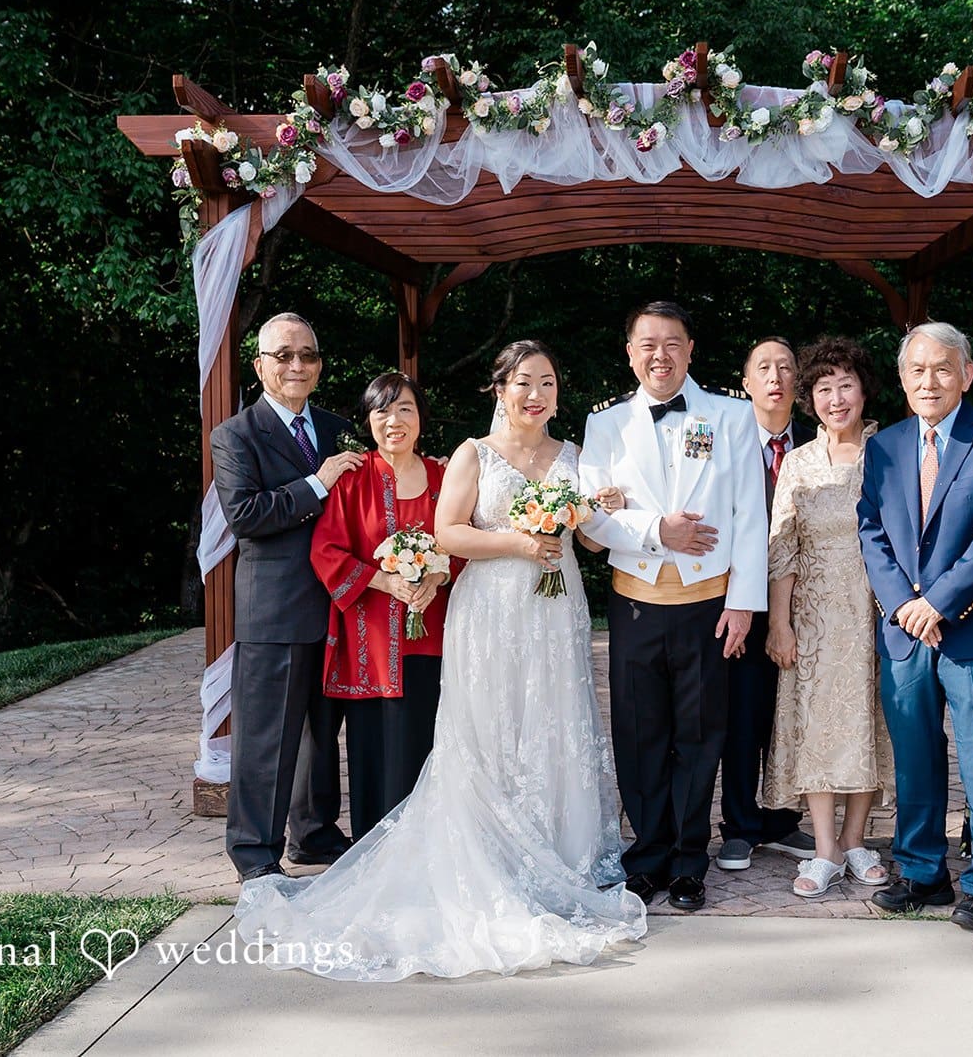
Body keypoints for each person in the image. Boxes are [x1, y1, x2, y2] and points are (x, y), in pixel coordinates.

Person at [234, 340, 647, 980]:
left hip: (554, 610)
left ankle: (553, 858)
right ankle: (481, 859)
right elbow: (449, 533)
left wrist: (601, 511)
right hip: (492, 612)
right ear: (499, 390)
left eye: (547, 382)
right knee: (485, 734)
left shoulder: (573, 456)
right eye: (523, 383)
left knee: (549, 727)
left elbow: (588, 539)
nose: (535, 394)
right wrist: (516, 540)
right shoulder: (471, 454)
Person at [579, 301, 768, 912]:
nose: (659, 356)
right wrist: (658, 530)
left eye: (672, 343)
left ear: (690, 349)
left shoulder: (732, 417)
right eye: (647, 345)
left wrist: (743, 605)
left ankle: (690, 862)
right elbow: (592, 516)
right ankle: (648, 855)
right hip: (634, 604)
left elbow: (748, 516)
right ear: (630, 352)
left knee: (699, 734)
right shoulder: (604, 425)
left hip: (707, 606)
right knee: (638, 734)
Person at [857, 321, 973, 933]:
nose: (928, 381)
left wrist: (941, 601)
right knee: (915, 755)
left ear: (967, 375)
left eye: (941, 368)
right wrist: (904, 605)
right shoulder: (884, 447)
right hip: (905, 631)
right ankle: (922, 871)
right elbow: (871, 530)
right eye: (916, 370)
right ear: (903, 380)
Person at [209, 312, 364, 882]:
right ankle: (254, 853)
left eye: (308, 355)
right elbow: (246, 517)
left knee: (323, 734)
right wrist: (317, 482)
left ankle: (315, 834)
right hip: (274, 610)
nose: (297, 365)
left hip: (340, 605)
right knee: (266, 739)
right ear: (260, 366)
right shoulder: (236, 435)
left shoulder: (339, 426)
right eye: (284, 355)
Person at [763, 337, 894, 897]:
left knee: (868, 720)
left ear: (864, 390)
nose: (836, 398)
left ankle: (857, 839)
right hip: (813, 614)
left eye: (846, 385)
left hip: (876, 608)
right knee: (817, 725)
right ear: (809, 398)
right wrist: (780, 621)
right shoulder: (798, 462)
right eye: (823, 388)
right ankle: (822, 849)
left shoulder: (891, 452)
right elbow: (782, 547)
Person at [308, 372, 450, 841]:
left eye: (405, 409)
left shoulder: (442, 477)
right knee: (374, 752)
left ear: (421, 418)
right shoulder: (352, 481)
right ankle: (375, 852)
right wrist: (384, 580)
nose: (394, 421)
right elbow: (325, 551)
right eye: (382, 411)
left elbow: (464, 540)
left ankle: (426, 848)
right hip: (369, 643)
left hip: (433, 639)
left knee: (426, 745)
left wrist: (436, 573)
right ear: (368, 420)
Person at [715, 336, 816, 872]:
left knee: (790, 714)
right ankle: (739, 823)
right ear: (747, 382)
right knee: (743, 713)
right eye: (764, 368)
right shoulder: (724, 445)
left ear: (798, 382)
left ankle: (782, 820)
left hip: (808, 603)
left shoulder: (817, 445)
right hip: (740, 601)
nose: (775, 377)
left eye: (786, 367)